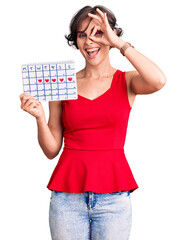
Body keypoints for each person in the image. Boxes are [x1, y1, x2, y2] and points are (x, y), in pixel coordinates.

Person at [19, 5, 166, 240]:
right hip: (67, 199)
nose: (89, 42)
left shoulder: (126, 81)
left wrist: (120, 44)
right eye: (82, 35)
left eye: (98, 33)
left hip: (114, 199)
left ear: (111, 34)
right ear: (75, 40)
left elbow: (158, 80)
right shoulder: (63, 83)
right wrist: (39, 118)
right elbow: (51, 150)